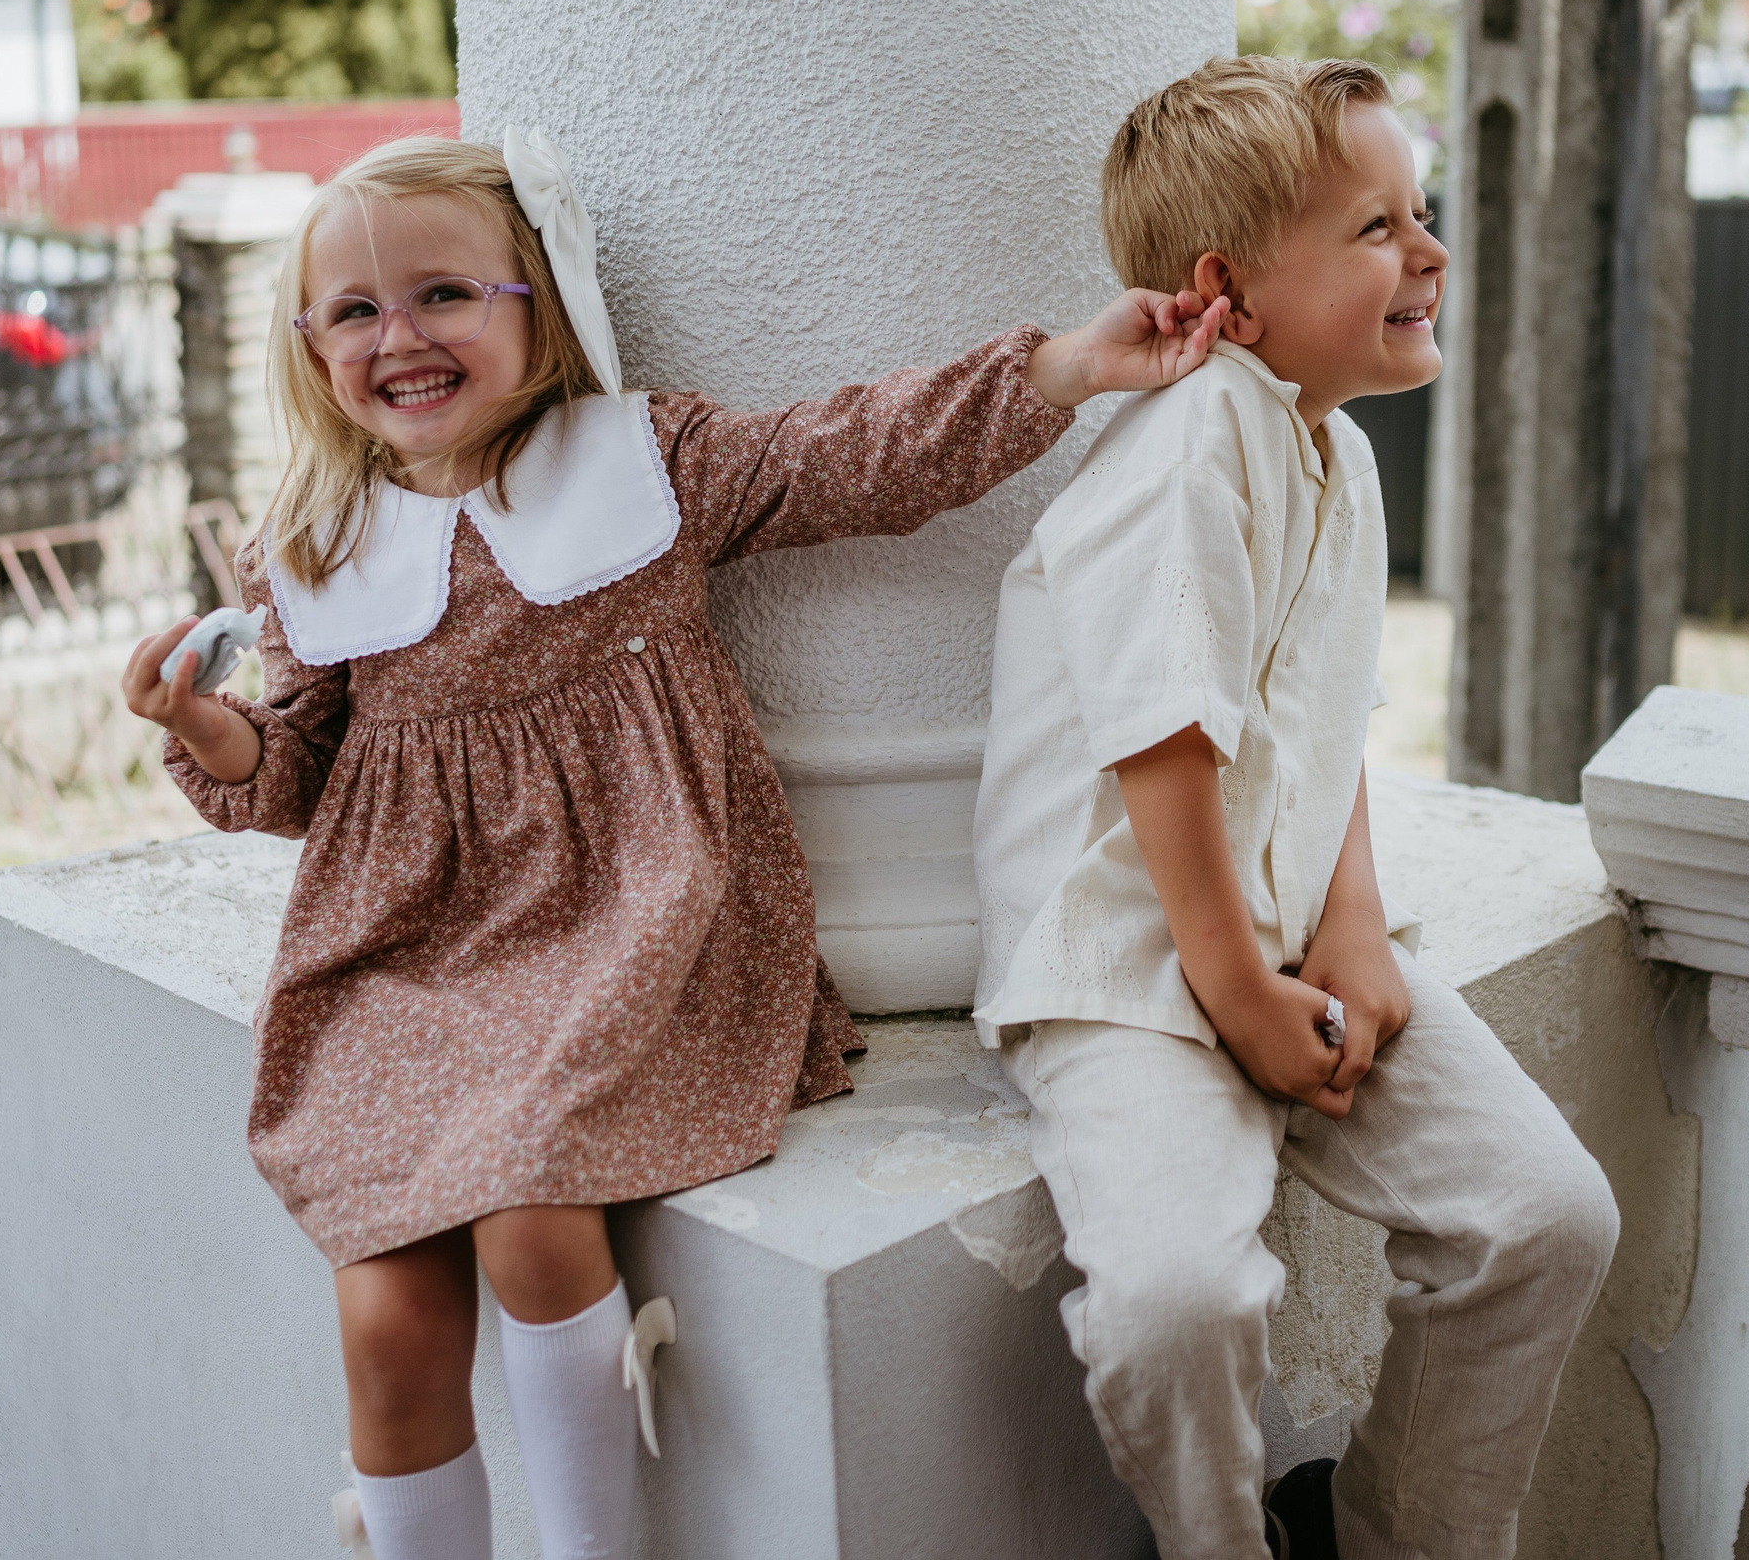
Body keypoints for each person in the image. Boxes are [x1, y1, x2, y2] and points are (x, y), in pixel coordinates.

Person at [120, 129, 1227, 1560]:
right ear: (306, 346)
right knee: (386, 1307)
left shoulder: (643, 468)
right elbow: (303, 775)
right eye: (352, 311)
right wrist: (217, 738)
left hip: (630, 928)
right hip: (410, 956)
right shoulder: (315, 550)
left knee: (530, 1216)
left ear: (541, 304)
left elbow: (856, 454)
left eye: (445, 293)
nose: (398, 335)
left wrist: (1066, 366)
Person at [971, 58, 1622, 1560]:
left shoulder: (1335, 453)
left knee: (1544, 1218)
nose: (1431, 251)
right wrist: (1238, 993)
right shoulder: (1195, 437)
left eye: (1423, 212)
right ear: (1230, 288)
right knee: (1179, 1302)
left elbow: (1318, 730)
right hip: (1136, 970)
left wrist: (1350, 931)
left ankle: (1399, 1535)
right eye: (1380, 226)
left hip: (1275, 941)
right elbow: (1165, 744)